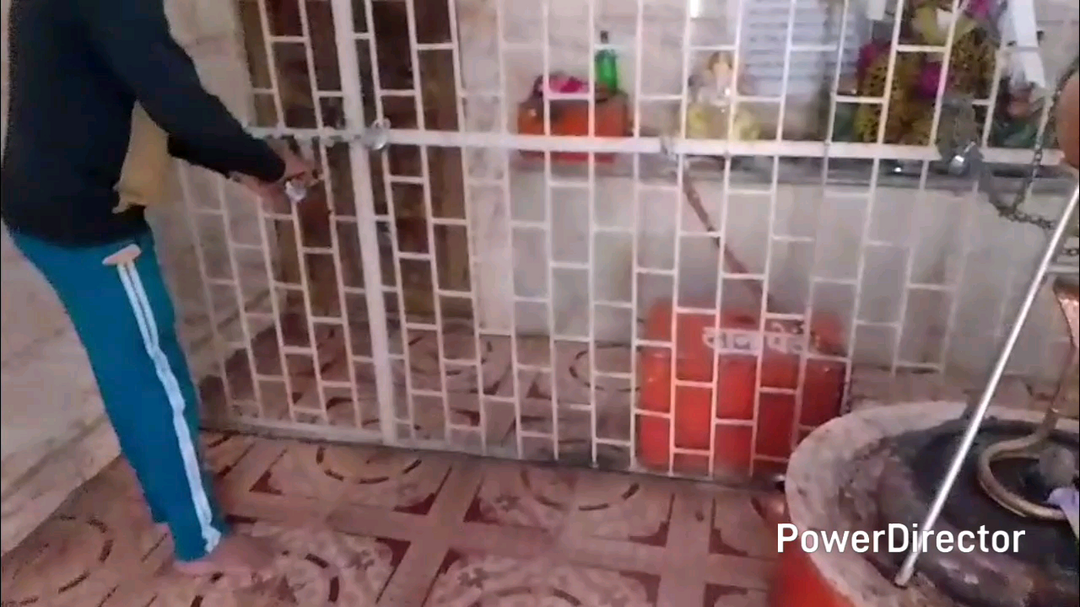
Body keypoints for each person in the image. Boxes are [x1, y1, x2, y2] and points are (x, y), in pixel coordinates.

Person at [1, 0, 315, 574]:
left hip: (44, 211)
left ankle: (170, 501)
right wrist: (268, 165)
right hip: (89, 226)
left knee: (129, 371)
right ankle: (202, 540)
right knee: (155, 380)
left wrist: (243, 165)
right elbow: (175, 100)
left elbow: (137, 97)